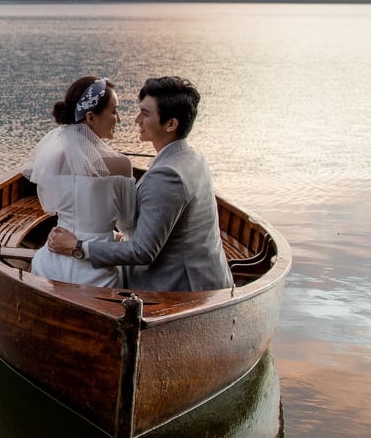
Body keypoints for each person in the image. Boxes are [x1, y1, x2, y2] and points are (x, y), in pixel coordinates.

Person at [46, 76, 231, 292]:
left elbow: (143, 252)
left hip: (179, 287)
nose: (136, 120)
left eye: (145, 114)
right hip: (206, 274)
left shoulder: (167, 175)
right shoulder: (191, 157)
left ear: (171, 124)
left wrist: (78, 247)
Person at [24, 76, 135, 288]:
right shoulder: (121, 165)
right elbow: (129, 223)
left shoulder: (53, 159)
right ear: (91, 117)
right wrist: (113, 236)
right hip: (96, 274)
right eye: (113, 111)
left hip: (49, 264)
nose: (119, 119)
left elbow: (51, 207)